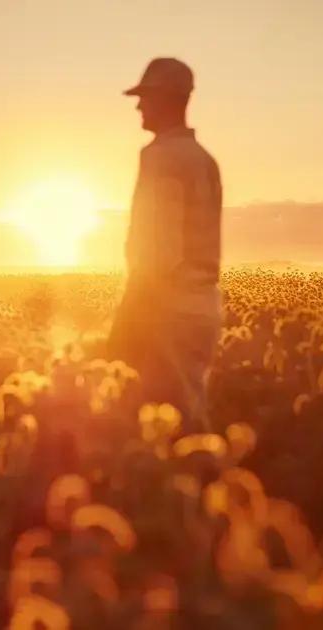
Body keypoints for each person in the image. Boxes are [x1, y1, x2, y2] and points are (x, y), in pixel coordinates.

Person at [108, 58, 223, 433]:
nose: (139, 106)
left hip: (167, 311)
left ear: (167, 100)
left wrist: (127, 317)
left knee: (160, 427)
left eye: (145, 97)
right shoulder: (205, 160)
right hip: (203, 308)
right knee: (191, 417)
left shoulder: (160, 157)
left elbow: (160, 250)